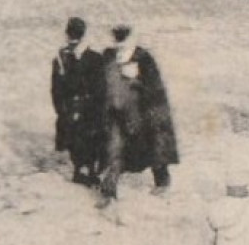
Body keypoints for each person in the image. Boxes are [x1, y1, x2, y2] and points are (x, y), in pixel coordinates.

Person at [99, 25, 180, 205]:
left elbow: (154, 89)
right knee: (114, 149)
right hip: (116, 114)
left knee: (153, 146)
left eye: (122, 39)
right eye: (116, 39)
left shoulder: (143, 58)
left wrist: (137, 80)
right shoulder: (108, 56)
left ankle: (162, 181)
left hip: (141, 115)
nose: (119, 45)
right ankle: (109, 193)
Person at [51, 17, 106, 186]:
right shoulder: (64, 58)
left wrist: (62, 108)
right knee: (79, 137)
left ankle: (86, 169)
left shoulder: (88, 58)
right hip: (78, 107)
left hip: (84, 107)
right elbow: (56, 87)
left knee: (84, 137)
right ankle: (83, 169)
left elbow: (56, 87)